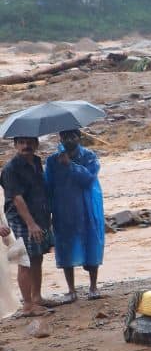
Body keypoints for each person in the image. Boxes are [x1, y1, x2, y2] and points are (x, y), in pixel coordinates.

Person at [44, 129, 104, 302]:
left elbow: (88, 179)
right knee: (65, 247)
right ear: (60, 137)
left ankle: (93, 287)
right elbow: (48, 187)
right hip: (63, 209)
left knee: (92, 243)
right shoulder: (52, 161)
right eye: (65, 136)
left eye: (73, 136)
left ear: (80, 137)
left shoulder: (89, 156)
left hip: (87, 207)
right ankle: (71, 290)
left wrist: (70, 165)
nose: (69, 139)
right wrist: (46, 212)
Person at [1, 136, 55, 317]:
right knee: (25, 261)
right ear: (15, 145)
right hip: (19, 221)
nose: (26, 146)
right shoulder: (11, 169)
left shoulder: (37, 162)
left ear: (36, 144)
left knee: (37, 257)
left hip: (39, 216)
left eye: (30, 142)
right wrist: (31, 224)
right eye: (22, 142)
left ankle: (37, 297)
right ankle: (27, 305)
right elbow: (16, 198)